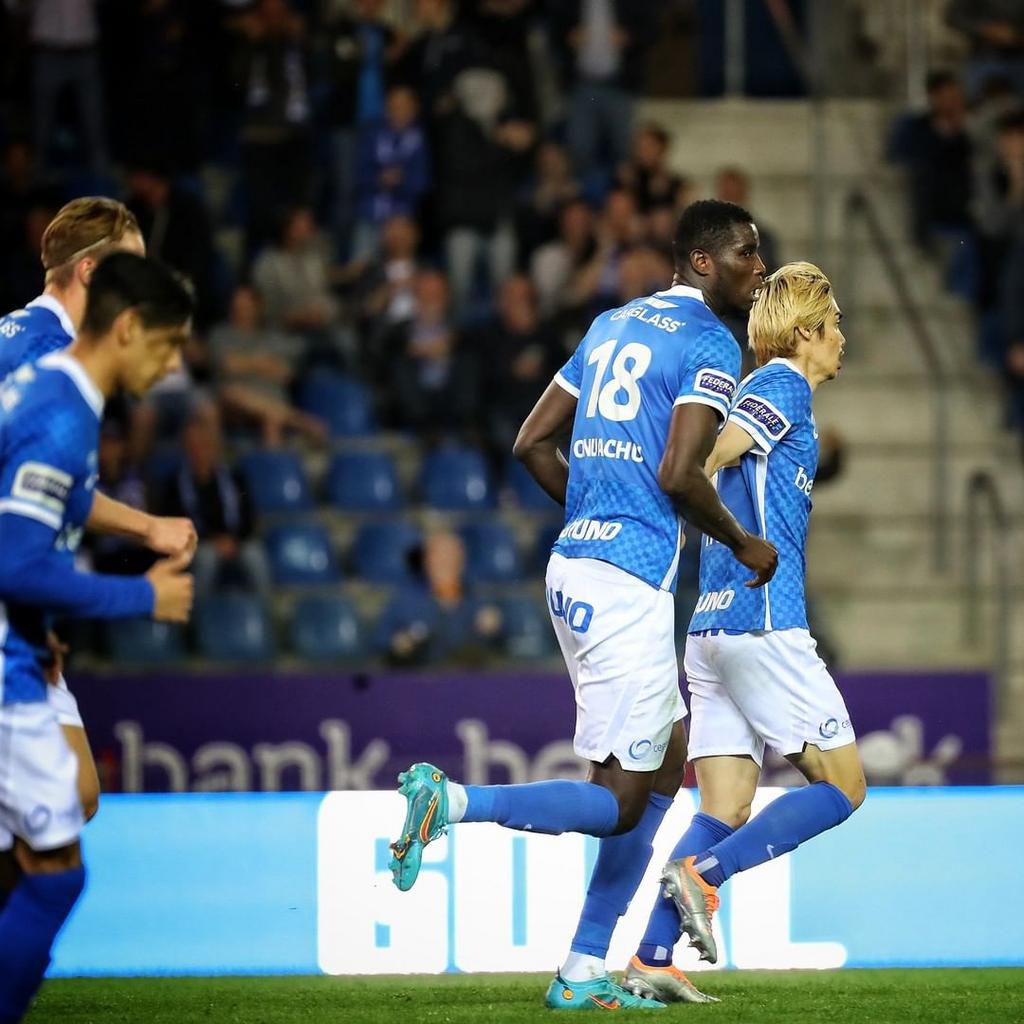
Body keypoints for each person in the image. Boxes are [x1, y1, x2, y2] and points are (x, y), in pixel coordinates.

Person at [388, 199, 777, 1010]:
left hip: (576, 566)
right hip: (624, 584)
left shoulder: (610, 325)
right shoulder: (710, 342)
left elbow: (532, 442)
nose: (759, 266)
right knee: (619, 798)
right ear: (701, 262)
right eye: (745, 251)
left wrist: (595, 515)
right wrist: (742, 543)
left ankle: (582, 966)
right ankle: (453, 803)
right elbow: (677, 475)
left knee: (666, 759)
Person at [623, 262, 866, 1001]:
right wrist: (711, 485)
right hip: (765, 624)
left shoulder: (780, 393)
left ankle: (649, 960)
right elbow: (712, 455)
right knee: (844, 787)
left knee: (725, 808)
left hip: (712, 633)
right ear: (804, 334)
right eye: (835, 326)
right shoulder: (782, 385)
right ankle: (707, 875)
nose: (843, 339)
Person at [0, 253, 196, 1024]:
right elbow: (14, 564)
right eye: (168, 344)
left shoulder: (48, 397)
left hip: (18, 644)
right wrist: (140, 594)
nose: (175, 363)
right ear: (125, 329)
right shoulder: (62, 411)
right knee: (54, 873)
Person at [0, 197, 197, 827]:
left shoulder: (24, 338)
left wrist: (147, 526)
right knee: (57, 817)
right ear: (90, 273)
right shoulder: (51, 365)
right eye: (128, 267)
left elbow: (41, 496)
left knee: (75, 795)